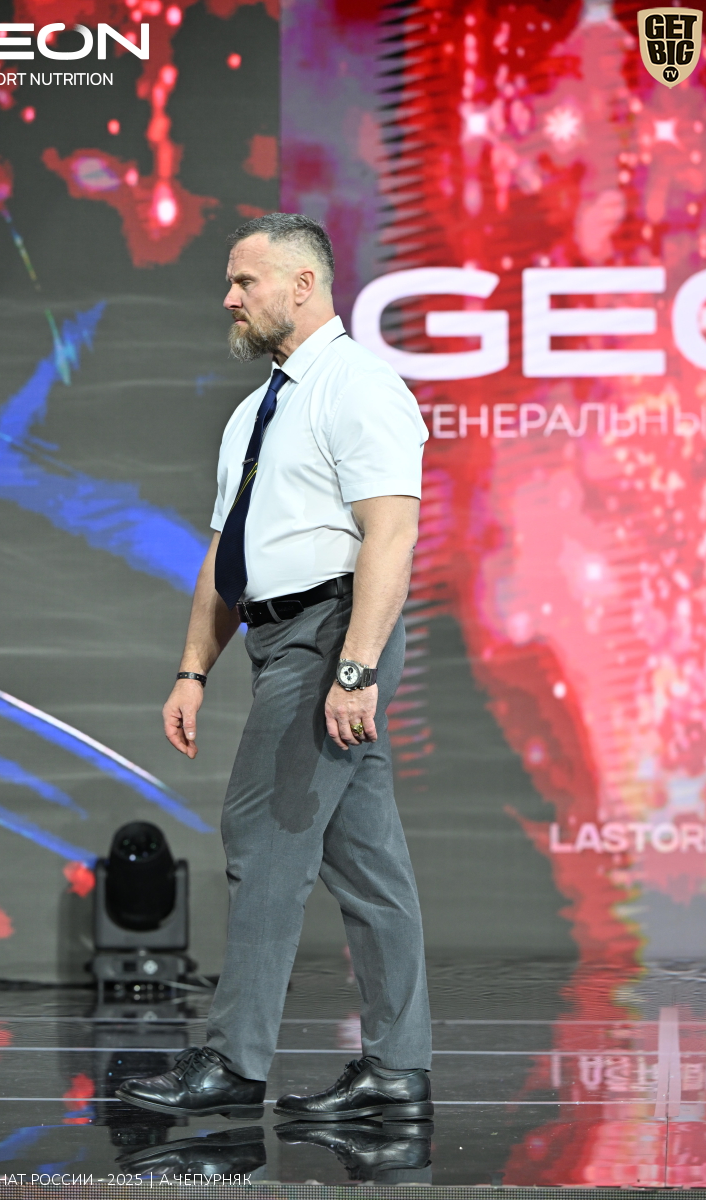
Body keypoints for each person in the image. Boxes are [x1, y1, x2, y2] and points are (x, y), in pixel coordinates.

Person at [118, 212, 432, 1123]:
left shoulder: (358, 386)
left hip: (330, 637)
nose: (229, 298)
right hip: (277, 638)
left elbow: (392, 535)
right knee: (367, 862)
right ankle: (397, 1073)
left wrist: (354, 670)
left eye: (244, 281)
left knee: (261, 837)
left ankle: (232, 1062)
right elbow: (228, 554)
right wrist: (193, 670)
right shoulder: (255, 412)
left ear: (303, 284)